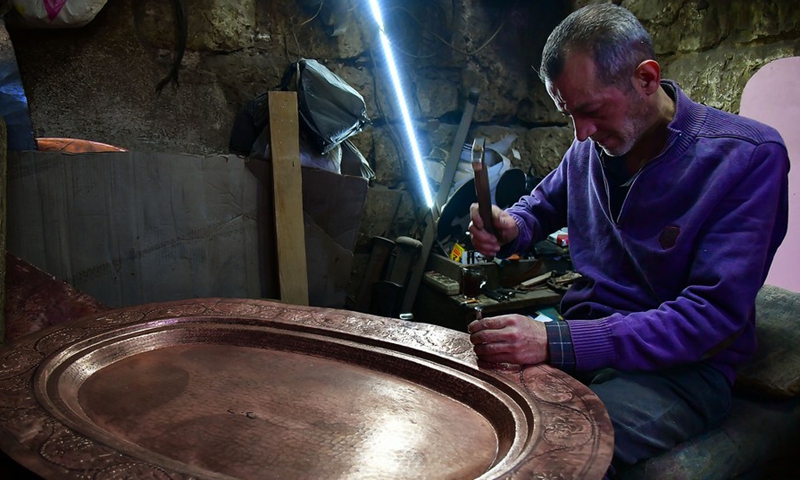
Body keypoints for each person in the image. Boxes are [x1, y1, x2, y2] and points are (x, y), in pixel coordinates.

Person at [466, 3, 790, 476]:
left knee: (548, 454)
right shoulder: (590, 146)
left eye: (592, 111)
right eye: (569, 114)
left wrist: (555, 341)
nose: (581, 133)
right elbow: (540, 205)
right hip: (586, 346)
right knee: (477, 417)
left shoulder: (747, 158)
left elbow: (709, 316)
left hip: (680, 373)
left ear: (646, 78)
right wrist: (511, 225)